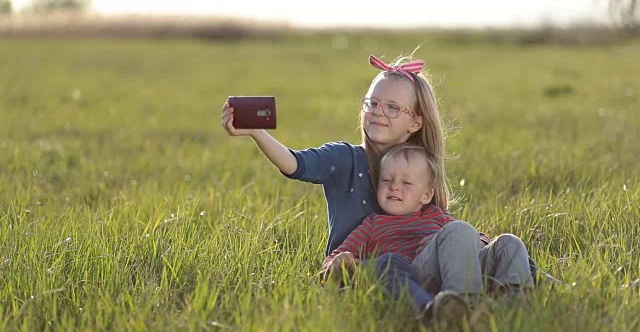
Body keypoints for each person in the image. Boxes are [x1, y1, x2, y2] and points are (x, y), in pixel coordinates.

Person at [220, 51, 541, 291]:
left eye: (392, 108)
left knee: (505, 244)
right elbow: (295, 163)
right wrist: (257, 133)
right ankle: (462, 309)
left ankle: (518, 306)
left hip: (426, 264)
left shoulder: (419, 166)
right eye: (372, 104)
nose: (378, 113)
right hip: (368, 270)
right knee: (457, 240)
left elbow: (445, 228)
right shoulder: (345, 158)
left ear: (416, 122)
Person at [320, 143, 534, 328]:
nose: (394, 186)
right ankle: (465, 305)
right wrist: (337, 262)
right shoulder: (373, 224)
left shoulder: (436, 216)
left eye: (406, 183)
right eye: (387, 180)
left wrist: (463, 240)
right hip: (416, 275)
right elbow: (335, 258)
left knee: (508, 242)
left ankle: (515, 301)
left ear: (426, 195)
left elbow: (473, 238)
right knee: (458, 230)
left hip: (453, 268)